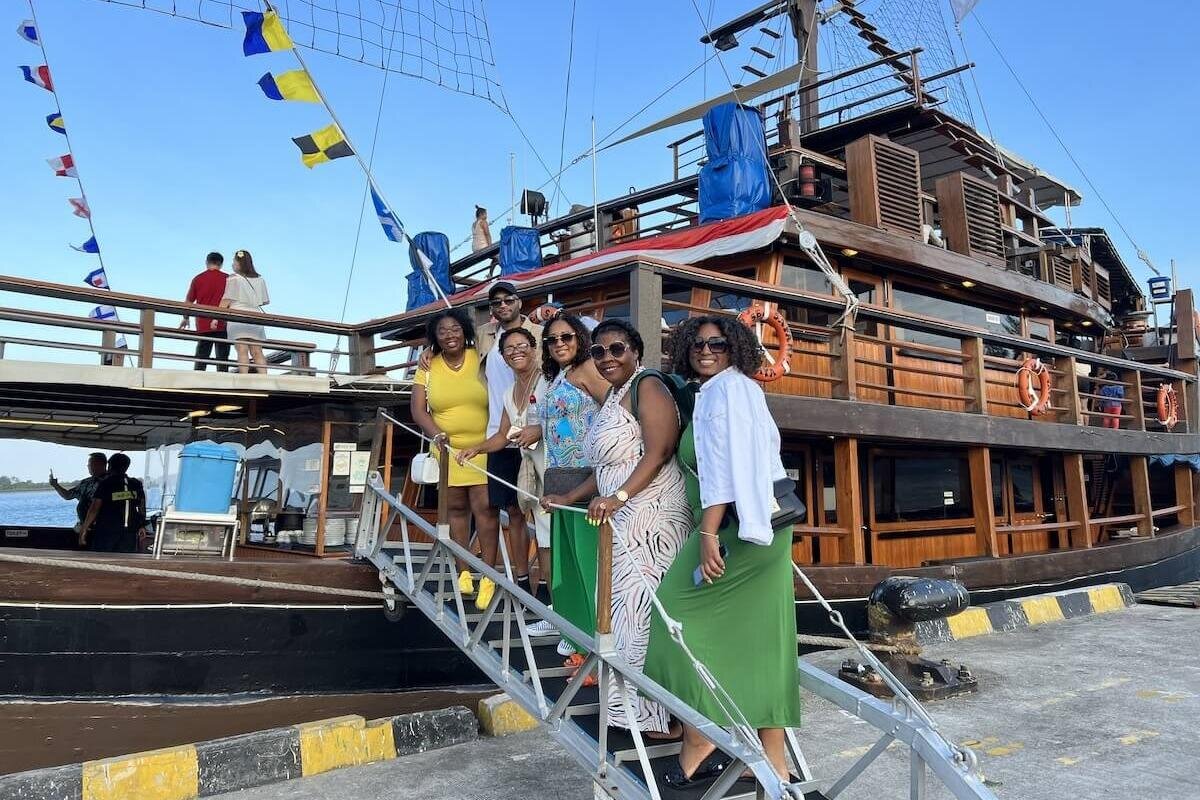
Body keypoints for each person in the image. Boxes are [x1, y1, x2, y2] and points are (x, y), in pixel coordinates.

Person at [645, 315, 802, 787]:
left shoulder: (728, 391)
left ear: (735, 347)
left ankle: (701, 736)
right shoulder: (724, 391)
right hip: (756, 529)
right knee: (763, 640)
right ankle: (773, 760)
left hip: (735, 530)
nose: (706, 350)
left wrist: (708, 534)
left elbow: (725, 471)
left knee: (671, 613)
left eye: (717, 343)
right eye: (697, 344)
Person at [544, 319, 691, 737]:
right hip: (623, 519)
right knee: (621, 614)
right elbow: (606, 466)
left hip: (652, 518)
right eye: (598, 351)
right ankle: (634, 713)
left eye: (617, 349)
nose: (607, 357)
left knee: (640, 615)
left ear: (635, 351)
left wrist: (620, 496)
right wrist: (570, 497)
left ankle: (661, 717)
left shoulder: (648, 385)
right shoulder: (613, 394)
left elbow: (660, 450)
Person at [411, 307, 501, 611]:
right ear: (434, 338)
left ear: (465, 331)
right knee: (457, 510)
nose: (450, 335)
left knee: (486, 509)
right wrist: (436, 433)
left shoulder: (481, 356)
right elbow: (418, 410)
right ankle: (464, 572)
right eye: (442, 331)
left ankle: (488, 577)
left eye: (455, 329)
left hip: (483, 448)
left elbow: (502, 333)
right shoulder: (427, 365)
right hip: (446, 449)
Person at [533, 313, 609, 658]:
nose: (559, 344)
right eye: (552, 339)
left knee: (586, 561)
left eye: (566, 337)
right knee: (567, 561)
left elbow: (617, 410)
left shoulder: (588, 369)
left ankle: (588, 633)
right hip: (559, 476)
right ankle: (571, 626)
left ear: (580, 338)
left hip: (585, 478)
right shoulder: (558, 376)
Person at [455, 327, 551, 603]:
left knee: (550, 535)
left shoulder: (548, 382)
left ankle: (553, 600)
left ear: (534, 349)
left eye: (522, 346)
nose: (516, 351)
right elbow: (502, 435)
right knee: (537, 527)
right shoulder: (509, 393)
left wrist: (539, 430)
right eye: (509, 348)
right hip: (532, 470)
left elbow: (564, 421)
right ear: (504, 357)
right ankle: (542, 599)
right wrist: (476, 448)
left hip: (553, 470)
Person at [79, 453, 146, 553]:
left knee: (101, 559)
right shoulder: (136, 484)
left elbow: (94, 508)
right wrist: (142, 525)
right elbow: (142, 507)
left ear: (110, 467)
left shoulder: (106, 483)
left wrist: (84, 529)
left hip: (107, 532)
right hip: (130, 533)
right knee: (125, 559)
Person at [220, 250, 271, 374]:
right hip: (255, 316)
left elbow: (227, 299)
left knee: (242, 350)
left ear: (238, 263)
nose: (232, 264)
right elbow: (264, 301)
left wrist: (216, 316)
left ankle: (244, 376)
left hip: (237, 315)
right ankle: (264, 378)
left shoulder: (234, 278)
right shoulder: (260, 279)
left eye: (234, 262)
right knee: (257, 351)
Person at [179, 252, 230, 372]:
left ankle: (198, 377)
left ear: (207, 262)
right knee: (223, 356)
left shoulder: (198, 279)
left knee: (202, 355)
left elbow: (189, 301)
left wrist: (186, 317)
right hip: (223, 322)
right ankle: (223, 379)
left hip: (203, 322)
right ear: (221, 264)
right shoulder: (228, 279)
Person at [49, 452, 106, 532]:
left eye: (90, 464)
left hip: (104, 526)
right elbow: (68, 495)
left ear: (100, 465)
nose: (88, 466)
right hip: (86, 526)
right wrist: (55, 485)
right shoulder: (86, 483)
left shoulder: (110, 482)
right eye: (88, 465)